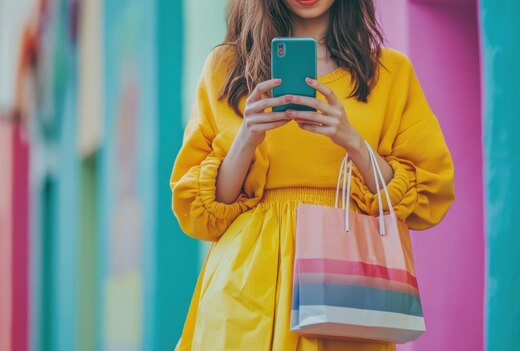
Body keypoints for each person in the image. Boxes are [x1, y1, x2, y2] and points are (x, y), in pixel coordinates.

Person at [170, 0, 455, 349]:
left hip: (345, 285)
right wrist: (248, 136)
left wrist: (351, 139)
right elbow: (201, 215)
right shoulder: (227, 68)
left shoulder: (389, 73)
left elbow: (428, 195)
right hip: (245, 289)